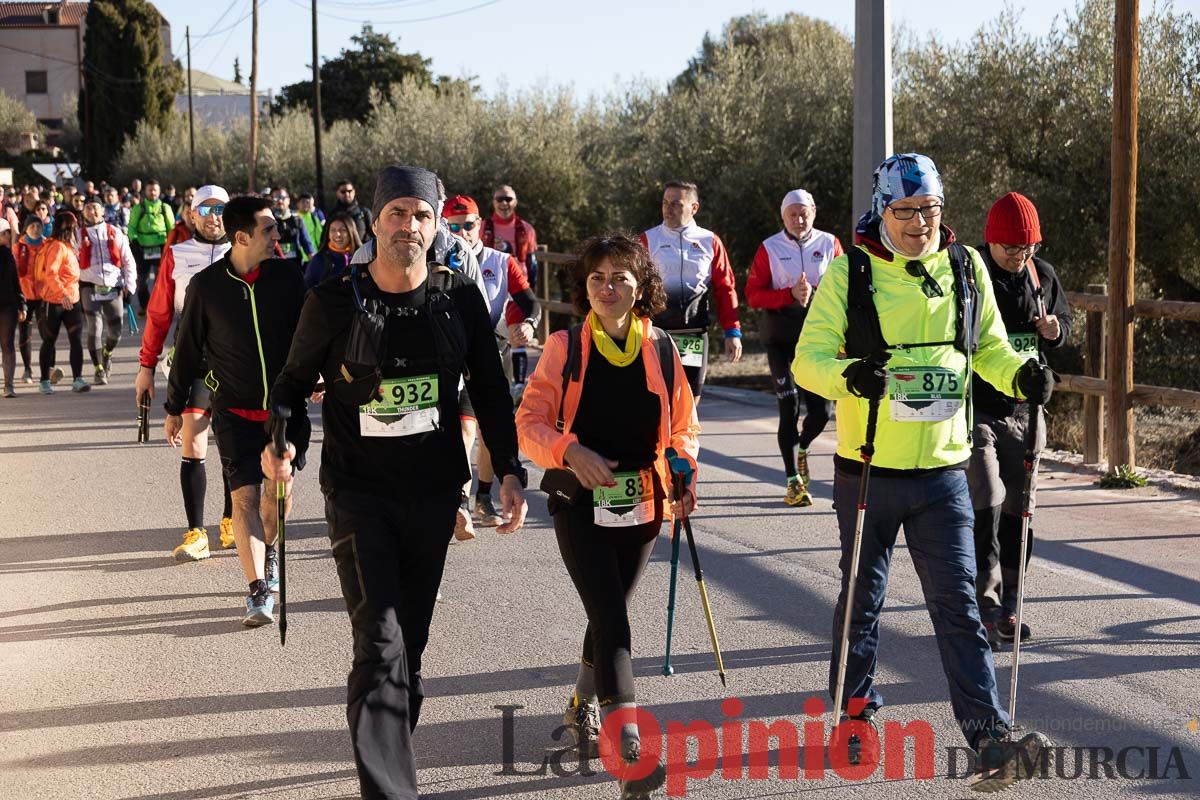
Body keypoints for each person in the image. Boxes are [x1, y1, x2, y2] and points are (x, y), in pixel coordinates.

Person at [262, 165, 528, 800]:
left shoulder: (458, 299)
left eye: (421, 215)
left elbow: (490, 393)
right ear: (375, 223)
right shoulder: (332, 302)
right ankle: (390, 791)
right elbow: (292, 388)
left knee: (409, 644)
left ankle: (387, 751)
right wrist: (286, 444)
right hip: (359, 494)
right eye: (396, 214)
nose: (409, 226)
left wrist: (512, 471)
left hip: (433, 494)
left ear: (437, 227)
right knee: (379, 641)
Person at [792, 153, 1056, 791]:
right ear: (882, 212)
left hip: (944, 471)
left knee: (960, 607)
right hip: (869, 470)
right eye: (906, 211)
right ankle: (855, 720)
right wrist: (849, 376)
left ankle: (989, 737)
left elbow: (987, 346)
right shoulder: (850, 272)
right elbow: (808, 360)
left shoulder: (964, 267)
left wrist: (1020, 374)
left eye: (930, 210)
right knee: (862, 603)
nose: (920, 224)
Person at [516, 233, 698, 799]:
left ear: (641, 285)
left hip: (643, 505)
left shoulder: (664, 349)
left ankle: (580, 707)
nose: (608, 287)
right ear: (584, 288)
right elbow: (530, 423)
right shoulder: (563, 348)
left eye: (620, 276)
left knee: (606, 615)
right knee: (615, 622)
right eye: (597, 278)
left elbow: (684, 428)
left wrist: (683, 468)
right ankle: (632, 754)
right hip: (579, 508)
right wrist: (569, 450)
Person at [166, 195, 309, 626]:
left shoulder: (288, 276)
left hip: (284, 413)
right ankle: (257, 589)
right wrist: (175, 406)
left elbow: (312, 332)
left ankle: (270, 552)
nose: (277, 234)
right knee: (243, 496)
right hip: (232, 412)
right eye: (269, 229)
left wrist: (321, 375)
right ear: (242, 236)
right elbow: (187, 350)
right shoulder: (206, 287)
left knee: (275, 498)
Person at [968, 192, 1070, 650]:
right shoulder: (971, 276)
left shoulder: (1040, 275)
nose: (1019, 256)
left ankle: (1010, 602)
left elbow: (1065, 322)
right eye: (1011, 247)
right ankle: (983, 603)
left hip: (1026, 413)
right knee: (987, 496)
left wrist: (1056, 331)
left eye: (1027, 247)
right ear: (991, 241)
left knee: (1020, 508)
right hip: (979, 408)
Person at [137, 186, 237, 561]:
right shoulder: (177, 254)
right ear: (191, 216)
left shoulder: (243, 249)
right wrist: (146, 367)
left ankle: (230, 520)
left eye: (221, 209)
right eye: (205, 210)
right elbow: (160, 313)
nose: (213, 217)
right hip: (194, 357)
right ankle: (197, 532)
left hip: (236, 359)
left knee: (233, 442)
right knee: (193, 441)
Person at [442, 194, 542, 527]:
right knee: (464, 429)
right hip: (448, 356)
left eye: (468, 225)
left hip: (488, 353)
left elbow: (530, 302)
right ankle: (459, 503)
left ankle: (482, 496)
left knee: (488, 430)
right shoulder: (436, 259)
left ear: (480, 224)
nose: (462, 232)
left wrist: (527, 325)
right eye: (453, 227)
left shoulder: (501, 262)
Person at [745, 189, 843, 507]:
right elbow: (753, 295)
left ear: (814, 212)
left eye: (804, 213)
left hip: (819, 342)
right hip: (782, 340)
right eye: (792, 214)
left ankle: (802, 448)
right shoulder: (769, 248)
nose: (798, 220)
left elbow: (846, 290)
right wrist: (788, 295)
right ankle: (793, 482)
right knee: (788, 407)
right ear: (783, 215)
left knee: (821, 412)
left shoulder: (830, 244)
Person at [640, 180, 742, 399]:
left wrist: (732, 331)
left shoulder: (709, 241)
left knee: (688, 402)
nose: (668, 209)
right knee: (656, 401)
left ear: (694, 208)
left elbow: (725, 288)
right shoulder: (648, 240)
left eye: (676, 204)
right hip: (656, 333)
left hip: (692, 335)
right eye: (665, 202)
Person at [482, 184, 540, 390]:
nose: (504, 203)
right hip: (493, 287)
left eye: (508, 199)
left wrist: (530, 292)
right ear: (493, 202)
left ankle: (519, 385)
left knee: (517, 335)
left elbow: (532, 262)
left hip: (517, 288)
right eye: (500, 199)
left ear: (515, 202)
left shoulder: (526, 229)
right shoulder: (482, 227)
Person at [78, 197, 137, 385]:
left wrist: (130, 284)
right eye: (88, 209)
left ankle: (107, 353)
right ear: (83, 212)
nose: (92, 212)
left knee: (116, 330)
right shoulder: (78, 234)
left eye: (95, 208)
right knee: (94, 328)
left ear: (103, 211)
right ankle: (98, 370)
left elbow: (128, 260)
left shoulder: (115, 232)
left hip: (113, 285)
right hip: (89, 285)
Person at [32, 210, 89, 394]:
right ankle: (44, 381)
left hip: (72, 300)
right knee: (49, 341)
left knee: (76, 340)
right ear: (68, 228)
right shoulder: (57, 247)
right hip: (55, 301)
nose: (76, 230)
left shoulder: (68, 246)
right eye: (74, 227)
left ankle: (78, 379)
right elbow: (51, 273)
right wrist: (63, 293)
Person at [127, 179, 176, 313]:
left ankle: (159, 306)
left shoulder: (165, 208)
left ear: (159, 192)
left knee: (160, 280)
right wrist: (134, 239)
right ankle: (145, 306)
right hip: (142, 249)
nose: (152, 192)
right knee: (142, 281)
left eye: (155, 190)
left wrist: (170, 244)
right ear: (145, 191)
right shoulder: (139, 208)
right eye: (150, 189)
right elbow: (131, 227)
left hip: (161, 248)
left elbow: (171, 228)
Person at [14, 216, 44, 384]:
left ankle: (50, 368)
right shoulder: (18, 247)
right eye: (31, 225)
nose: (35, 228)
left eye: (38, 225)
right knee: (25, 335)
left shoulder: (47, 245)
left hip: (43, 295)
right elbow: (13, 274)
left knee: (47, 333)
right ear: (26, 228)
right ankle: (27, 370)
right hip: (24, 296)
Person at [0, 219, 26, 397]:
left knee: (7, 344)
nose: (9, 236)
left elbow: (15, 281)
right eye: (5, 233)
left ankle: (8, 385)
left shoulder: (8, 254)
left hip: (8, 306)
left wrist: (21, 303)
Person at [303, 213, 360, 289]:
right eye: (333, 230)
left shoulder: (362, 258)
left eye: (343, 230)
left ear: (351, 232)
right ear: (328, 234)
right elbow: (307, 290)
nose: (337, 234)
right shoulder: (319, 260)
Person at [270, 188, 315, 265]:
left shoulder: (296, 219)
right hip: (274, 264)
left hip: (296, 264)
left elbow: (306, 242)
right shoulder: (268, 220)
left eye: (282, 198)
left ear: (288, 200)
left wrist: (313, 261)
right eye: (276, 198)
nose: (280, 201)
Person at [296, 193, 325, 259]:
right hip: (301, 257)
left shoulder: (316, 216)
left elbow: (320, 233)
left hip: (316, 254)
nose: (306, 204)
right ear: (298, 204)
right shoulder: (295, 218)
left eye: (308, 202)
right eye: (303, 202)